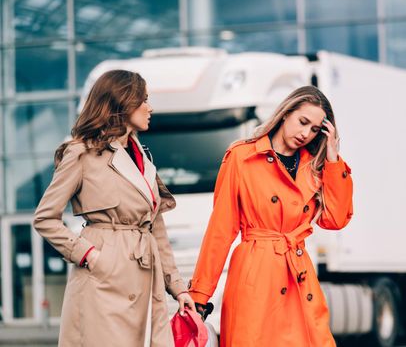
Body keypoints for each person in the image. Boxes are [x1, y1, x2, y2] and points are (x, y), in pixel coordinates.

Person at [33, 69, 195, 346]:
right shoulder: (81, 152)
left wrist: (178, 288)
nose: (150, 107)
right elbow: (45, 218)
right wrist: (89, 255)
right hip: (102, 280)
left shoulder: (141, 156)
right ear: (122, 102)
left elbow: (155, 227)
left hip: (147, 276)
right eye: (143, 99)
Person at [188, 86, 353, 346]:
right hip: (256, 278)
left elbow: (335, 219)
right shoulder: (243, 157)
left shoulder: (315, 167)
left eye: (314, 129)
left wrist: (332, 159)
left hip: (298, 276)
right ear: (285, 113)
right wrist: (200, 295)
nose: (305, 134)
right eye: (302, 122)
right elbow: (220, 231)